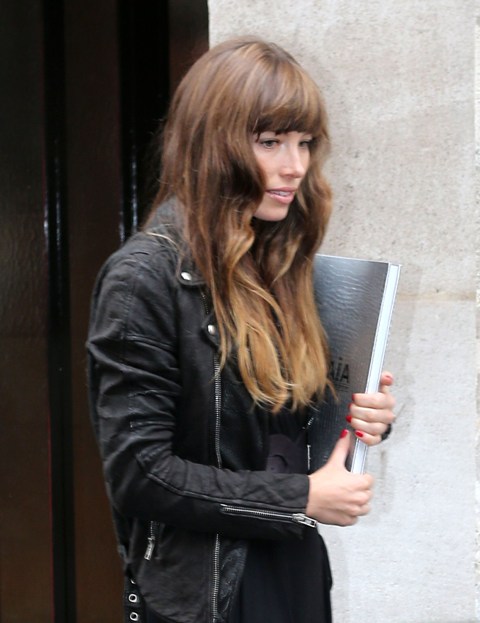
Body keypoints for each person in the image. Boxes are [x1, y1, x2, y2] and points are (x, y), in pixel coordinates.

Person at [87, 37, 395, 623]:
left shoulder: (279, 262)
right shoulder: (143, 278)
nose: (295, 166)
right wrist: (302, 497)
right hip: (205, 590)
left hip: (293, 566)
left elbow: (277, 427)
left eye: (304, 142)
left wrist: (359, 416)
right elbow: (140, 473)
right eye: (270, 141)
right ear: (213, 143)